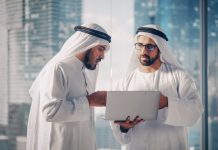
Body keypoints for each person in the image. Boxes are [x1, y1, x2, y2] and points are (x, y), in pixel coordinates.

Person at [110, 24, 204, 150]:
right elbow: (118, 129)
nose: (143, 51)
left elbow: (196, 111)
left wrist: (167, 103)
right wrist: (124, 127)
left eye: (149, 46)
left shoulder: (179, 76)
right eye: (139, 46)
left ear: (160, 48)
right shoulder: (124, 82)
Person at [26, 23, 111, 150]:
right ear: (87, 44)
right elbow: (50, 112)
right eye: (100, 49)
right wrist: (90, 101)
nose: (103, 56)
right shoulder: (58, 68)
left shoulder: (82, 72)